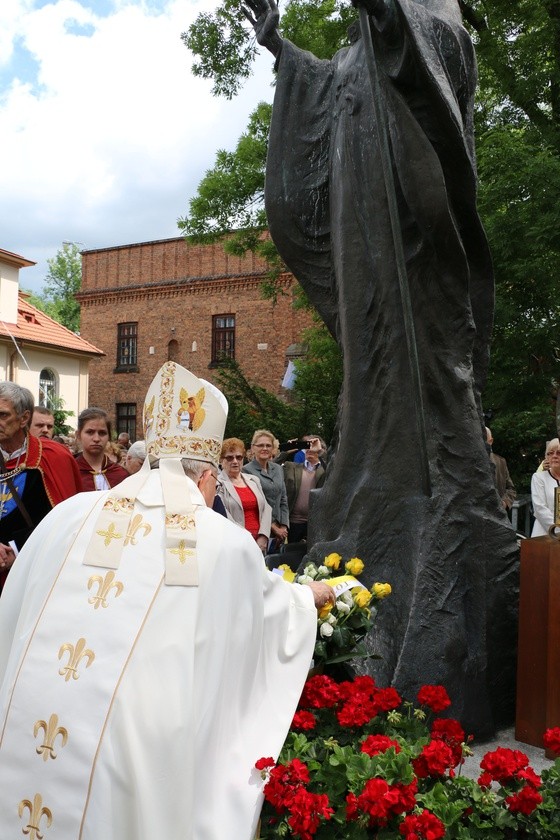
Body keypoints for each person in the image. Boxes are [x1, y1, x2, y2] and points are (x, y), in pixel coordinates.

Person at [243, 0, 520, 736]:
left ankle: (439, 558)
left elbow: (433, 80)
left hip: (413, 261)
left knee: (434, 400)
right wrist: (283, 52)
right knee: (369, 398)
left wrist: (389, 15)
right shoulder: (359, 44)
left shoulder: (435, 16)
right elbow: (331, 91)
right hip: (364, 256)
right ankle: (367, 550)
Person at [0, 362, 334, 839]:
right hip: (134, 749)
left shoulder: (71, 514)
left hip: (28, 724)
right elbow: (265, 615)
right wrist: (309, 596)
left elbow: (12, 609)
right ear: (206, 478)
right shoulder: (220, 539)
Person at [0, 382, 82, 590]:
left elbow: (67, 523)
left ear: (24, 418)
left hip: (34, 573)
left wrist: (17, 551)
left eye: (3, 415)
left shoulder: (54, 457)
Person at [218, 437, 271, 552]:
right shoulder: (218, 484)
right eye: (229, 457)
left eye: (239, 457)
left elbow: (266, 508)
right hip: (235, 543)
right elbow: (223, 515)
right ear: (221, 460)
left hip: (259, 542)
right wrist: (245, 539)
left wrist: (263, 536)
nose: (235, 461)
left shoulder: (254, 480)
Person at [243, 429, 289, 549]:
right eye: (261, 445)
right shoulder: (246, 471)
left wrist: (284, 526)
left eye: (268, 445)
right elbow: (255, 504)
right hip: (260, 530)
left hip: (280, 531)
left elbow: (283, 499)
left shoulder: (278, 469)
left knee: (278, 565)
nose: (265, 448)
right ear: (253, 448)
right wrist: (273, 527)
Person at [283, 436, 326, 542]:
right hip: (294, 522)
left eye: (313, 446)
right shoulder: (292, 467)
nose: (310, 449)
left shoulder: (326, 470)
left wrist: (320, 451)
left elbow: (336, 470)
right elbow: (269, 466)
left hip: (316, 522)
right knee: (292, 554)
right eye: (307, 446)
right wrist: (285, 451)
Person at [74, 407, 128, 491]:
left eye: (102, 433)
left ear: (109, 436)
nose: (96, 439)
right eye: (90, 432)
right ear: (78, 435)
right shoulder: (70, 473)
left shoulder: (121, 474)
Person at [531, 437, 560, 537]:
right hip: (544, 535)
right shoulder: (538, 478)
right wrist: (557, 530)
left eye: (559, 453)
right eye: (550, 453)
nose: (554, 456)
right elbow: (540, 509)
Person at [486, 427, 516, 510]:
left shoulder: (501, 462)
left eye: (484, 438)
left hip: (497, 514)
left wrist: (504, 503)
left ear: (490, 441)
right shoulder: (469, 463)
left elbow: (511, 489)